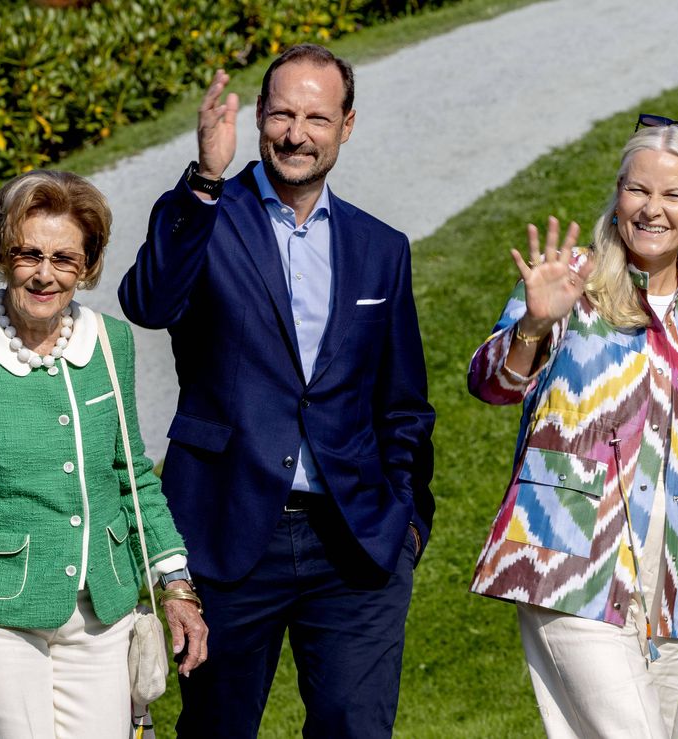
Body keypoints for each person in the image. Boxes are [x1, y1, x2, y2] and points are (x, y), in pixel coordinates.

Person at [120, 43, 435, 738]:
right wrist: (205, 176)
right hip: (229, 531)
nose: (297, 133)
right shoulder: (206, 213)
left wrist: (407, 523)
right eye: (283, 113)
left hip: (355, 539)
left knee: (355, 728)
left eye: (317, 118)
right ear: (260, 115)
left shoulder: (383, 248)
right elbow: (148, 300)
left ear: (346, 125)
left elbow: (404, 400)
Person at [467, 118, 678, 738]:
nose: (652, 210)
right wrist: (533, 325)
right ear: (618, 194)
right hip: (571, 562)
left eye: (672, 195)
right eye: (638, 191)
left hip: (670, 586)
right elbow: (492, 383)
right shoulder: (572, 280)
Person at [0, 170, 208, 738]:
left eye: (64, 259)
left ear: (86, 267)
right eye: (28, 254)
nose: (45, 274)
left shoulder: (111, 343)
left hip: (100, 607)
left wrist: (176, 586)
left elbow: (132, 473)